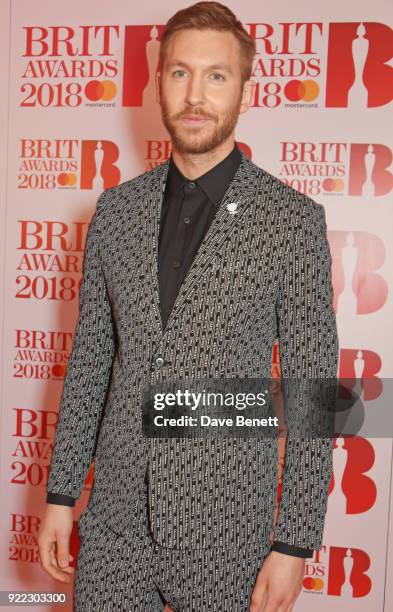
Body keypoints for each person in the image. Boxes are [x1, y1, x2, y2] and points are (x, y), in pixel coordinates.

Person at [37, 2, 339, 611]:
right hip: (115, 524)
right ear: (158, 84)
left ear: (245, 92)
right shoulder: (116, 212)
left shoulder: (292, 221)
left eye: (216, 75)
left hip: (229, 528)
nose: (195, 94)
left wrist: (295, 542)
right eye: (180, 73)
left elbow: (312, 393)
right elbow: (92, 361)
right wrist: (62, 496)